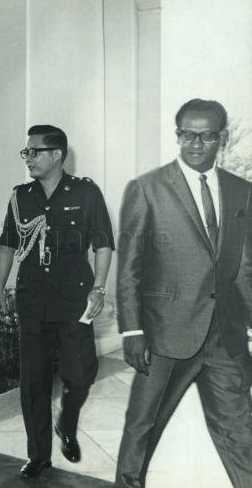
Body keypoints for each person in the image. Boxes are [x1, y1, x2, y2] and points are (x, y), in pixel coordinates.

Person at [115, 99, 252, 487]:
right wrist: (131, 330)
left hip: (224, 335)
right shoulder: (146, 188)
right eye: (186, 134)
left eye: (206, 135)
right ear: (177, 135)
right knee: (142, 428)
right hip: (163, 335)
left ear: (220, 138)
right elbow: (130, 266)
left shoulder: (242, 191)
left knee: (240, 430)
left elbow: (245, 266)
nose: (195, 143)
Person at [0, 125, 114, 478]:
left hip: (75, 298)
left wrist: (100, 288)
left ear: (56, 154)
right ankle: (38, 455)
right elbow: (6, 246)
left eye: (34, 151)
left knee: (82, 373)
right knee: (34, 381)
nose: (27, 158)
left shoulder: (86, 193)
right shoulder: (20, 197)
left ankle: (67, 420)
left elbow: (103, 244)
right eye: (25, 152)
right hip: (32, 300)